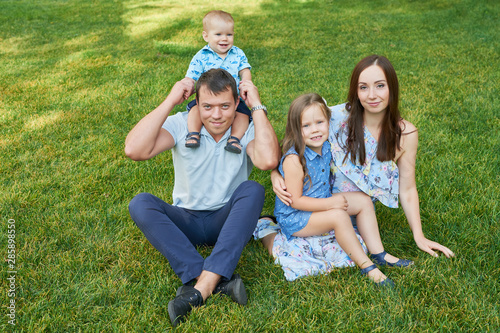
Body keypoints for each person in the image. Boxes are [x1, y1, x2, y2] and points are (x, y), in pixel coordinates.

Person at [260, 55, 454, 281]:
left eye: (380, 86)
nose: (372, 95)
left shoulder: (406, 134)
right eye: (364, 87)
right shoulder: (338, 117)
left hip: (346, 209)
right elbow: (296, 139)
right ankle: (367, 266)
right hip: (319, 207)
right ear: (355, 90)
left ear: (392, 87)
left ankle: (379, 254)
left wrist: (419, 236)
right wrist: (276, 173)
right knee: (319, 247)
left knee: (359, 205)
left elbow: (408, 189)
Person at [125, 68, 279, 327]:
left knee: (253, 189)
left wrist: (257, 107)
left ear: (237, 104)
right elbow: (134, 149)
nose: (216, 115)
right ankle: (215, 279)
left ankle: (201, 286)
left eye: (225, 106)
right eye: (207, 106)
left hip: (228, 222)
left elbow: (268, 160)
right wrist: (170, 100)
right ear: (196, 104)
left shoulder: (248, 129)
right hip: (185, 221)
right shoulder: (182, 123)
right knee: (140, 202)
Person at [273, 93, 394, 287]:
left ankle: (379, 252)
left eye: (320, 122)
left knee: (363, 201)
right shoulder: (294, 160)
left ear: (329, 122)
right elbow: (295, 201)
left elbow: (351, 112)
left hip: (321, 200)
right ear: (296, 128)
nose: (315, 130)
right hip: (296, 217)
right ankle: (367, 266)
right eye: (306, 125)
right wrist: (330, 204)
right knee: (338, 216)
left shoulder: (327, 145)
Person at [181, 10, 252, 154]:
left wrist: (246, 82)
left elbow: (244, 70)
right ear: (206, 36)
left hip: (232, 97)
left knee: (243, 115)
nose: (224, 39)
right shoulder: (202, 56)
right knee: (195, 109)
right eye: (218, 34)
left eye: (229, 35)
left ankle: (234, 139)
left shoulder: (237, 53)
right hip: (208, 96)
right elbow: (192, 74)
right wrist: (188, 83)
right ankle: (194, 133)